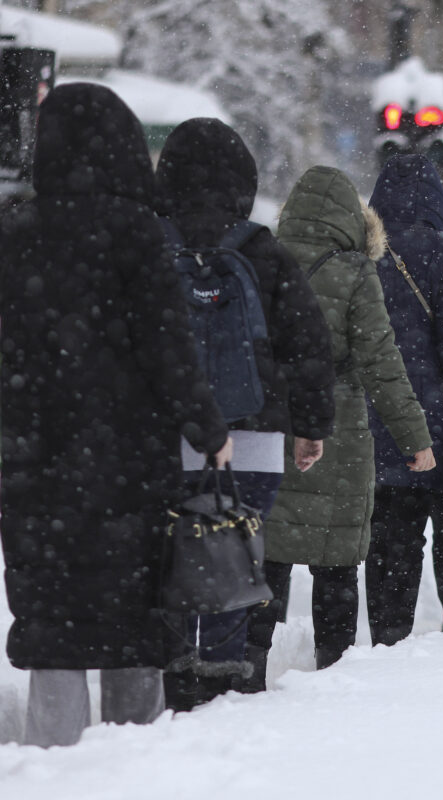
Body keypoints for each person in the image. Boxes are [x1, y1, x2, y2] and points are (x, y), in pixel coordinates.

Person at [0, 84, 232, 747]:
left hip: (34, 457)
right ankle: (133, 752)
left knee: (51, 613)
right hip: (128, 456)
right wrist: (206, 427)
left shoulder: (13, 233)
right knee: (134, 609)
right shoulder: (137, 233)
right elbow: (168, 346)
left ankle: (54, 757)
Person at [155, 118, 336, 708]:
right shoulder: (264, 251)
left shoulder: (149, 245)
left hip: (165, 437)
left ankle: (175, 680)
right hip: (254, 438)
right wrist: (311, 427)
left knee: (167, 558)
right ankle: (224, 677)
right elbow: (308, 346)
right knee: (233, 556)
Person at [243, 165, 435, 681]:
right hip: (338, 430)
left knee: (268, 555)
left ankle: (248, 668)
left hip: (268, 422)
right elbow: (381, 361)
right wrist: (414, 437)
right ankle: (334, 670)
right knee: (337, 563)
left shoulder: (262, 260)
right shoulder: (355, 271)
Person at [365, 155, 443, 645]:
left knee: (390, 536)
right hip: (438, 416)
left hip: (379, 412)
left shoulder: (365, 249)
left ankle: (387, 634)